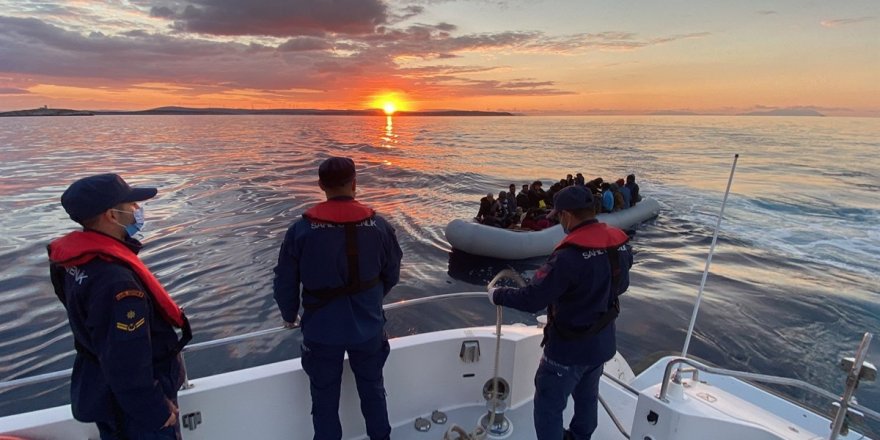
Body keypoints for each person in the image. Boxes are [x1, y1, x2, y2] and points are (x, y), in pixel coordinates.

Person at [48, 173, 191, 440]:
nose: (138, 210)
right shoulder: (117, 283)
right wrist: (155, 410)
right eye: (132, 205)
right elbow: (126, 360)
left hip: (106, 390)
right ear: (111, 216)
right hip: (134, 410)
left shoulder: (76, 265)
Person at [488, 185, 633, 440]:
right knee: (587, 397)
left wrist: (498, 295)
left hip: (567, 350)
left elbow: (533, 298)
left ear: (566, 215)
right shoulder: (620, 246)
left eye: (559, 216)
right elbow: (622, 285)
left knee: (548, 405)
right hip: (602, 343)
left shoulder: (567, 258)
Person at [273, 157, 402, 440]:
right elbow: (392, 273)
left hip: (321, 332)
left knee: (324, 403)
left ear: (320, 185)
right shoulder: (380, 227)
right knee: (373, 392)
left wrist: (289, 313)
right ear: (355, 183)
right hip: (368, 328)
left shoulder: (301, 230)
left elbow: (285, 280)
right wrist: (371, 301)